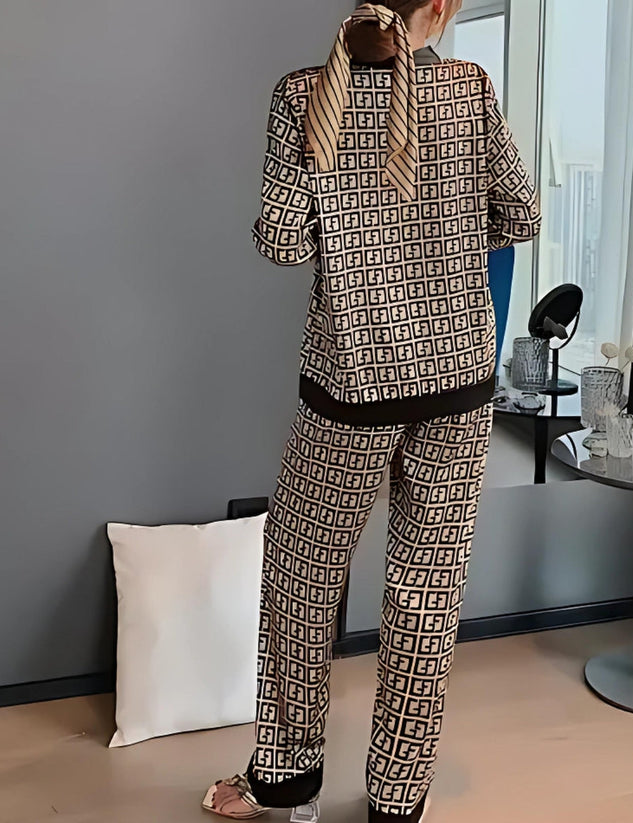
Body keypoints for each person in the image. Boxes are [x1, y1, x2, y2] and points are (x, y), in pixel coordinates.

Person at [202, 2, 539, 821]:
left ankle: (285, 774)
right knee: (427, 591)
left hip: (351, 381)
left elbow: (282, 243)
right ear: (439, 10)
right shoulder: (470, 89)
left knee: (301, 578)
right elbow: (521, 215)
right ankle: (397, 798)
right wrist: (440, 241)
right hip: (459, 381)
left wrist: (358, 236)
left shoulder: (303, 94)